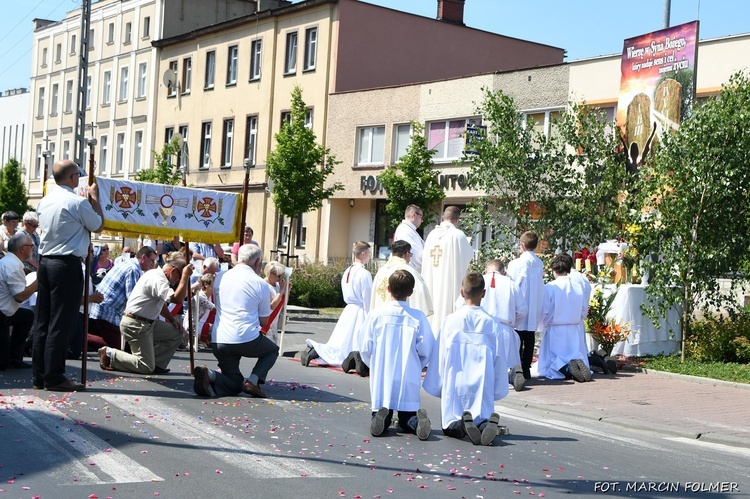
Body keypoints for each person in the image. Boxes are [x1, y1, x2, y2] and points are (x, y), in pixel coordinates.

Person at [33, 159, 104, 392]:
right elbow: (97, 225)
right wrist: (95, 199)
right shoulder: (77, 201)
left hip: (46, 263)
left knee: (44, 320)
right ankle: (54, 376)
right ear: (73, 178)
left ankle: (40, 375)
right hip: (66, 264)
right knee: (61, 322)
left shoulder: (45, 201)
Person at [424, 272, 508, 445]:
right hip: (482, 384)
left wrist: (438, 384)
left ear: (462, 292)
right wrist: (497, 387)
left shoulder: (450, 321)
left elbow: (440, 354)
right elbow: (499, 359)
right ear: (483, 293)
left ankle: (462, 424)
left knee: (450, 423)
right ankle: (485, 425)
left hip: (456, 381)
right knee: (482, 414)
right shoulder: (492, 323)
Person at [193, 244, 278, 398]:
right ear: (258, 262)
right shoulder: (260, 283)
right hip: (246, 338)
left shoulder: (220, 277)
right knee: (272, 350)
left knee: (234, 382)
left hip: (220, 338)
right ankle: (253, 380)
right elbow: (264, 321)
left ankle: (210, 374)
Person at [361, 270, 434, 440]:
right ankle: (417, 423)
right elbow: (427, 348)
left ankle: (380, 420)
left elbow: (365, 346)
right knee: (407, 416)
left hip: (383, 374)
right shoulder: (418, 317)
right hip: (407, 375)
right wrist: (418, 364)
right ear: (411, 292)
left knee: (382, 406)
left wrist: (374, 365)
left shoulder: (376, 315)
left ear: (388, 288)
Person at [98, 255, 192, 375]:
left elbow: (161, 303)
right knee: (146, 367)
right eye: (178, 277)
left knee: (176, 333)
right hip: (136, 324)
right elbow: (177, 299)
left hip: (146, 323)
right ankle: (110, 354)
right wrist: (185, 277)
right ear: (173, 271)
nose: (178, 281)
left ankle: (156, 363)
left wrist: (171, 319)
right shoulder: (158, 279)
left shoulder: (155, 275)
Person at [456, 259, 527, 391]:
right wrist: (512, 324)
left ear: (485, 270)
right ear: (503, 272)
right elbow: (522, 310)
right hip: (504, 329)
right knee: (505, 362)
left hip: (480, 327)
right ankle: (510, 375)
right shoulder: (511, 283)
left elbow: (460, 305)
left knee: (482, 362)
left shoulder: (477, 282)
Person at [302, 242, 372, 368]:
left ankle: (318, 351)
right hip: (360, 310)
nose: (370, 257)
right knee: (353, 340)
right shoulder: (364, 273)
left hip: (349, 309)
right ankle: (351, 360)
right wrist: (370, 313)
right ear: (363, 254)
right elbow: (367, 296)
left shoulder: (348, 270)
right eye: (369, 254)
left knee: (341, 341)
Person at [89, 246, 159, 350]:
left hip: (105, 309)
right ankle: (82, 337)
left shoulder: (128, 264)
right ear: (144, 257)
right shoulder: (133, 269)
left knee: (121, 347)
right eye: (152, 260)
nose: (153, 264)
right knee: (115, 349)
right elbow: (133, 298)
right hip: (108, 312)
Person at [536, 254, 591, 382]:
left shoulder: (550, 287)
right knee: (573, 354)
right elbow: (584, 310)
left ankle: (568, 369)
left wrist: (540, 326)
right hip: (573, 329)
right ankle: (576, 365)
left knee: (550, 364)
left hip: (555, 329)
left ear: (554, 270)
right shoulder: (578, 287)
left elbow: (544, 310)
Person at [420, 206, 474, 332]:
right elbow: (468, 256)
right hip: (448, 283)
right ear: (457, 220)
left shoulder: (431, 235)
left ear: (443, 217)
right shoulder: (458, 235)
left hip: (431, 282)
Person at [506, 231, 545, 380]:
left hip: (520, 304)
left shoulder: (516, 263)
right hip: (534, 304)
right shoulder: (539, 263)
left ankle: (517, 368)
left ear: (522, 245)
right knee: (530, 336)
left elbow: (512, 284)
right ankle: (526, 367)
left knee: (518, 337)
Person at [0, 234, 38, 370]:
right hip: (2, 314)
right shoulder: (13, 266)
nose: (33, 249)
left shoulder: (10, 262)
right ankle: (9, 358)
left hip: (7, 312)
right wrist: (39, 280)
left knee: (27, 316)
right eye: (31, 246)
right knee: (2, 364)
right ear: (22, 249)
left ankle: (15, 357)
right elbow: (20, 296)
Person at [371, 240, 433, 317]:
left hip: (381, 318)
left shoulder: (381, 272)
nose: (410, 258)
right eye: (410, 255)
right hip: (403, 318)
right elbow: (421, 294)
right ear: (406, 254)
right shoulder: (409, 272)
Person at [393, 205, 425, 273]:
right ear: (414, 215)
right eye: (421, 217)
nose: (422, 220)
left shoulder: (410, 230)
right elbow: (415, 255)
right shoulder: (405, 230)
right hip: (408, 272)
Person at [261, 261, 286, 345]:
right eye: (278, 275)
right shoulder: (263, 285)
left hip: (274, 322)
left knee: (273, 348)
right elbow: (272, 306)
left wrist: (287, 291)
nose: (280, 278)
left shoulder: (278, 285)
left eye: (282, 275)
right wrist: (281, 290)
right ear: (270, 273)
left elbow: (284, 303)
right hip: (266, 322)